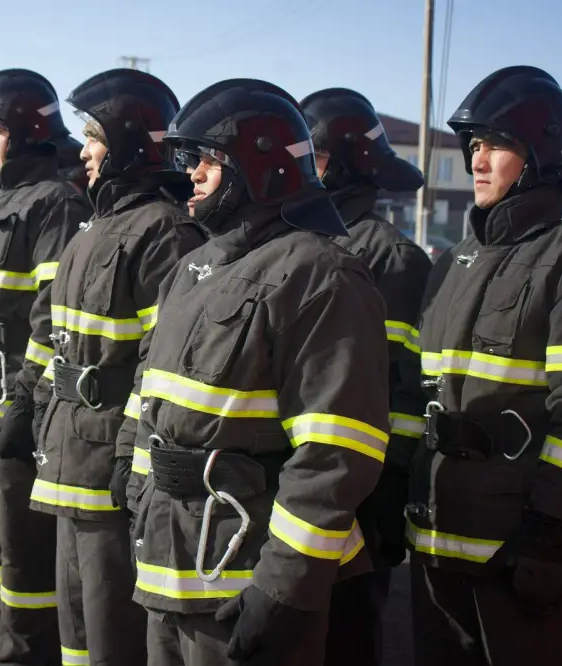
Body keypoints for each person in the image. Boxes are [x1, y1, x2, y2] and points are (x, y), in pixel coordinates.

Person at [124, 79, 390, 666]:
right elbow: (148, 402)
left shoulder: (321, 274)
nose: (188, 173)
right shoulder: (189, 269)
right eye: (184, 159)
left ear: (258, 167)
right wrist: (139, 494)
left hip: (246, 570)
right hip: (170, 562)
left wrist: (283, 587)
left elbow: (336, 452)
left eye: (204, 160)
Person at [409, 66, 562, 666]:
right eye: (473, 147)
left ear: (542, 156)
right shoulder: (453, 262)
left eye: (496, 144)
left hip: (521, 552)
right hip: (438, 544)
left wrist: (549, 533)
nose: (477, 160)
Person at [28, 68, 207, 666]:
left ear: (130, 143)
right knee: (75, 617)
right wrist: (36, 409)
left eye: (95, 138)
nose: (83, 152)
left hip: (109, 458)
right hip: (67, 450)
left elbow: (160, 363)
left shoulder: (166, 232)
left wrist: (133, 458)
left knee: (113, 626)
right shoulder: (93, 227)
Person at [0, 68, 91, 666]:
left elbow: (48, 316)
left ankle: (26, 654)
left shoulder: (55, 203)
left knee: (21, 548)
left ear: (31, 132)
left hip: (11, 402)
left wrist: (25, 400)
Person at [300, 87, 433, 666]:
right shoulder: (299, 243)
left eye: (317, 158)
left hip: (355, 497)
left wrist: (384, 497)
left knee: (345, 637)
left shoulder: (391, 259)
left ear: (349, 166)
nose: (303, 170)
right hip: (295, 486)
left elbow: (401, 394)